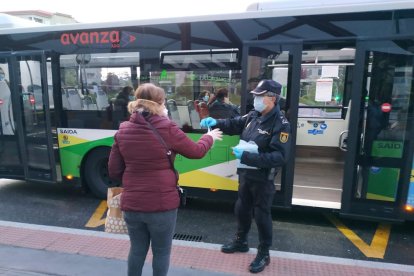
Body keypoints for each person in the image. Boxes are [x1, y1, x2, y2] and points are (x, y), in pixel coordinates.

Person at [108, 83, 223, 276]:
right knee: (161, 252)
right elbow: (196, 152)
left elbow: (113, 171)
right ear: (160, 104)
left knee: (137, 250)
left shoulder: (123, 130)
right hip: (162, 205)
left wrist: (134, 179)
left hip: (132, 204)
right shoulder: (167, 127)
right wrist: (209, 137)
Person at [200, 80, 291, 274]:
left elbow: (280, 157)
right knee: (241, 208)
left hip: (262, 178)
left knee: (261, 214)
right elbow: (233, 124)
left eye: (260, 96)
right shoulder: (253, 116)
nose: (256, 99)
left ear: (272, 98)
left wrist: (248, 156)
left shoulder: (281, 124)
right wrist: (215, 122)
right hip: (245, 174)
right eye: (256, 95)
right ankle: (241, 241)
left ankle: (264, 253)